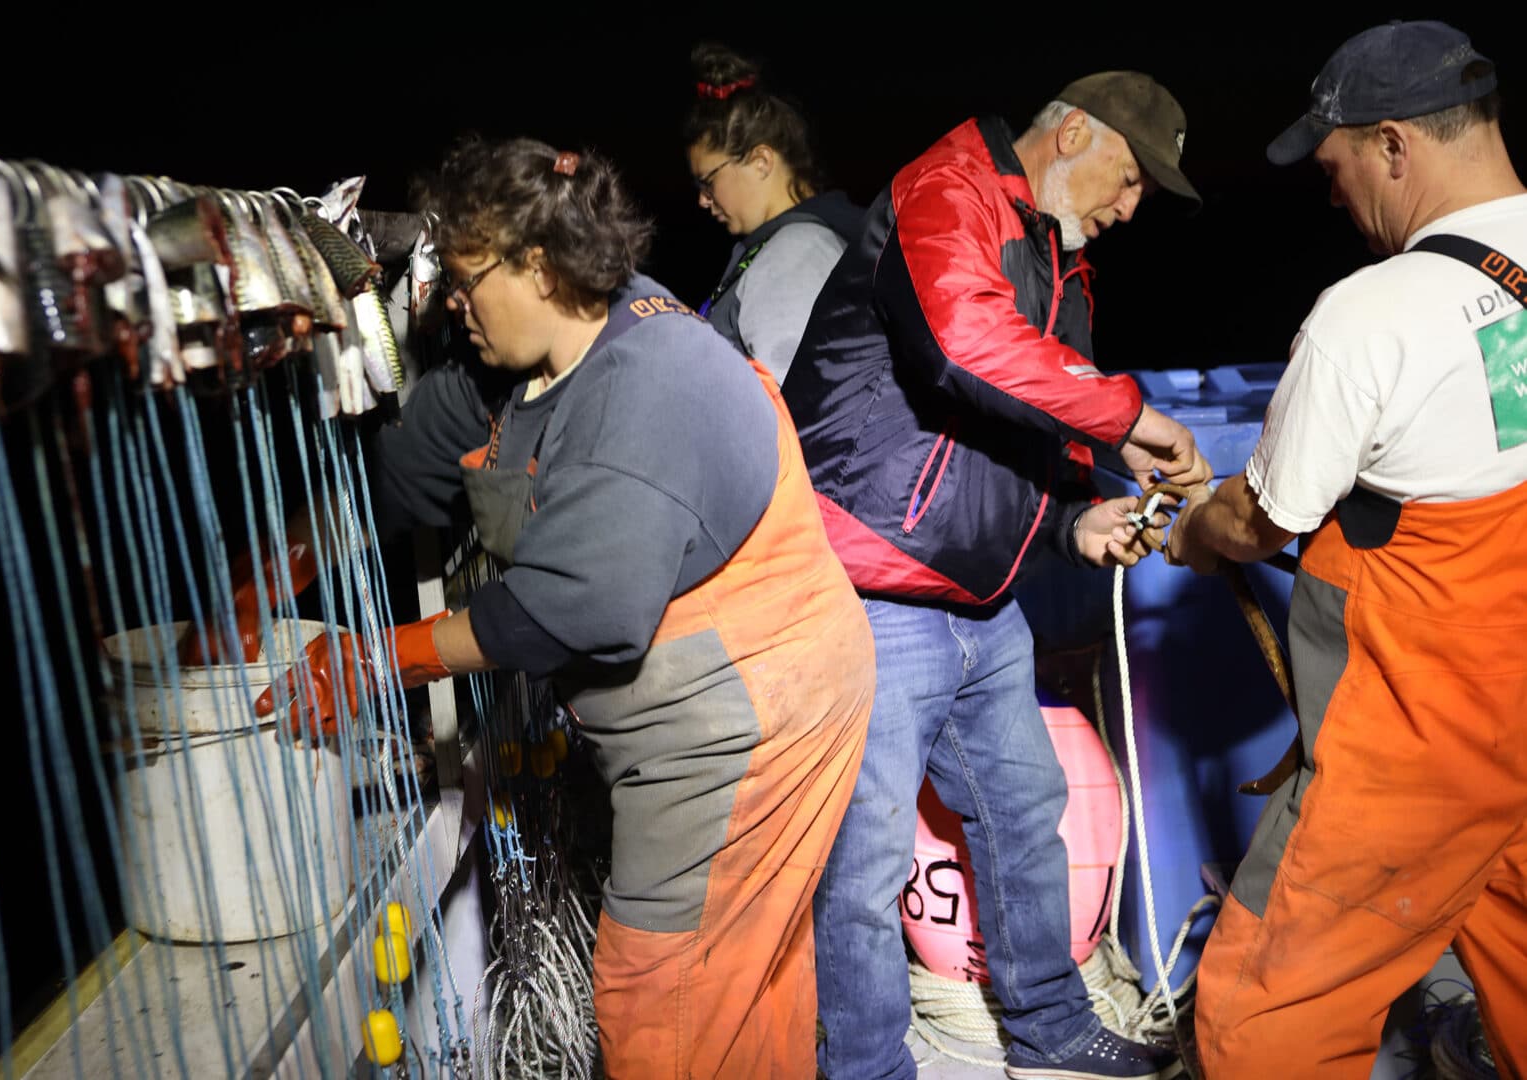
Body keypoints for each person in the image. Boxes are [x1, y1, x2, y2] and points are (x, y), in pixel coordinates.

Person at [227, 136, 874, 1078]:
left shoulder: (653, 381)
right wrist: (276, 565)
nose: (450, 306)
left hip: (752, 718)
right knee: (746, 975)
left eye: (464, 280)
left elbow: (579, 607)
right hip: (710, 710)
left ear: (536, 263)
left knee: (662, 990)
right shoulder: (533, 358)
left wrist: (380, 658)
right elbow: (406, 480)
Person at [783, 72, 1212, 1080]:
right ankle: (869, 1067)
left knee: (1027, 812)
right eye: (1134, 175)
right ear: (1070, 134)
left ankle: (1049, 1027)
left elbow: (1036, 428)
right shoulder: (951, 188)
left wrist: (1079, 520)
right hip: (876, 587)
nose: (1133, 203)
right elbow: (964, 348)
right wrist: (1134, 416)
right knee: (864, 866)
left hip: (981, 598)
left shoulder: (1062, 264)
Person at [1166, 21, 1527, 1077]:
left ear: (1395, 146)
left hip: (1415, 751)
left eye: (1336, 165)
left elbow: (1261, 518)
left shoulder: (1368, 317)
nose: (1332, 195)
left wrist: (1191, 528)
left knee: (1265, 1018)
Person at [684, 42, 864, 385]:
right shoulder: (781, 248)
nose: (703, 201)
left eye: (708, 182)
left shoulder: (796, 254)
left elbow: (794, 414)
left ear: (761, 162)